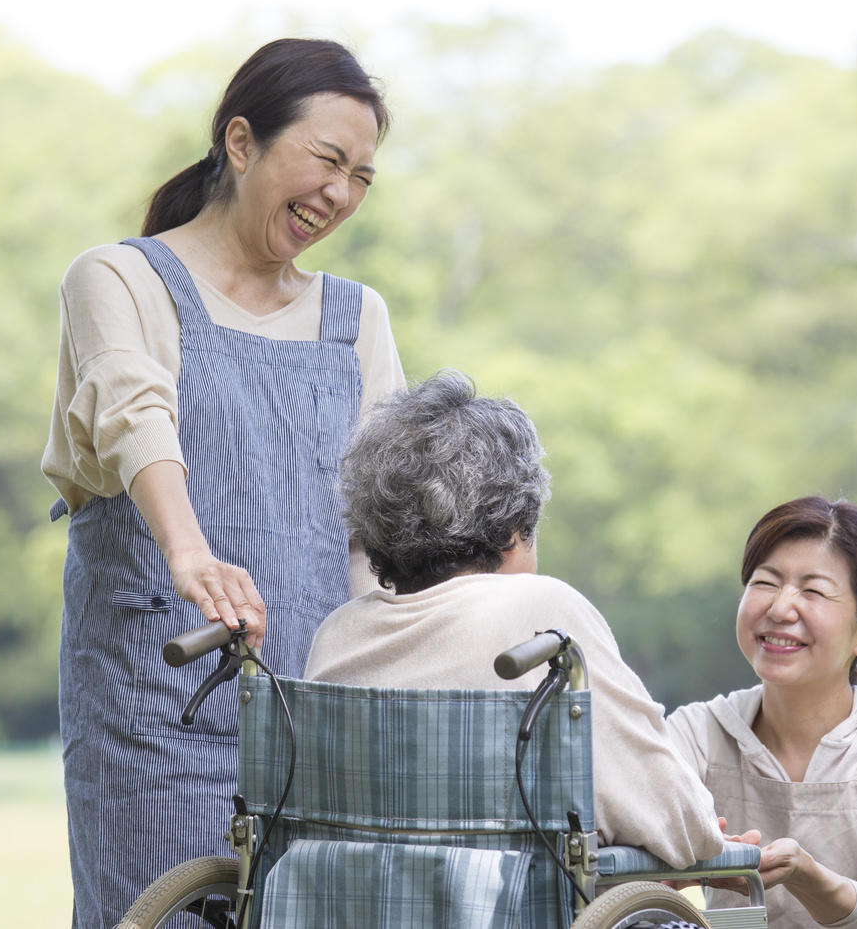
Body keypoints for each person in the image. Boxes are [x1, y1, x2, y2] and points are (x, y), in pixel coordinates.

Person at [41, 38, 406, 928]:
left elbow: (381, 524)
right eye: (326, 159)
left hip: (315, 716)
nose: (340, 193)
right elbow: (136, 414)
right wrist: (190, 551)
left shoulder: (357, 320)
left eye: (362, 174)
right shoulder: (121, 278)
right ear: (240, 142)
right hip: (152, 707)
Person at [305, 370, 736, 869]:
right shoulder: (539, 613)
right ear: (512, 529)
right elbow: (674, 820)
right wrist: (703, 830)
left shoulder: (337, 635)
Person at [666, 497, 857, 929]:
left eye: (813, 591)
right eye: (765, 583)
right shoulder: (696, 733)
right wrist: (674, 867)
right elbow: (613, 868)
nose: (780, 608)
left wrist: (805, 875)